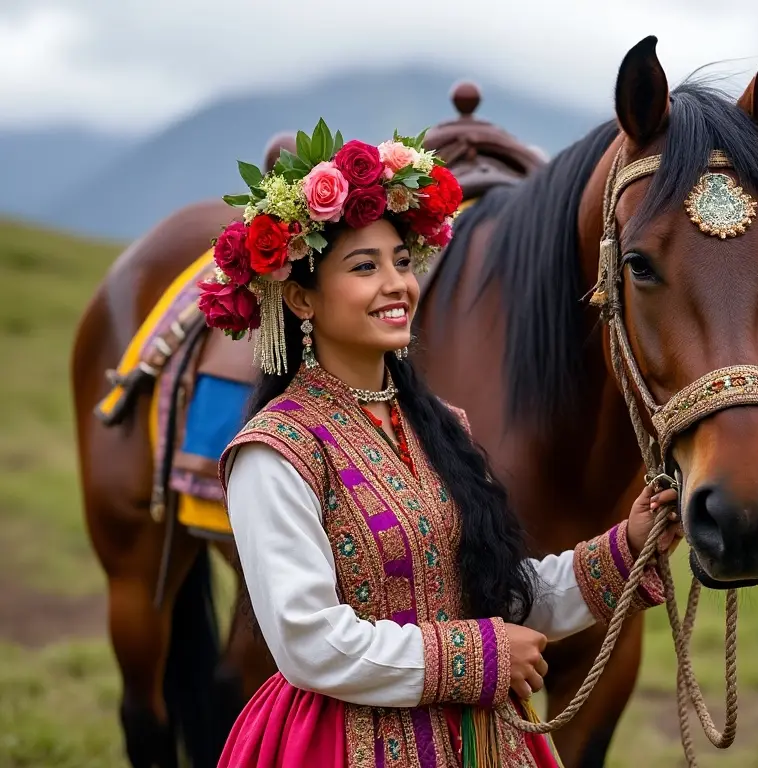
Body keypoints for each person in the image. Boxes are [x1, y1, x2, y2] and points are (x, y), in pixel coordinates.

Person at [197, 119, 682, 767]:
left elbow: (499, 597)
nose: (396, 284)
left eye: (402, 262)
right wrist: (476, 657)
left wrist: (625, 546)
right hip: (339, 745)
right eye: (364, 267)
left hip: (478, 743)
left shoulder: (442, 427)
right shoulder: (275, 451)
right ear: (301, 298)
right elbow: (307, 641)